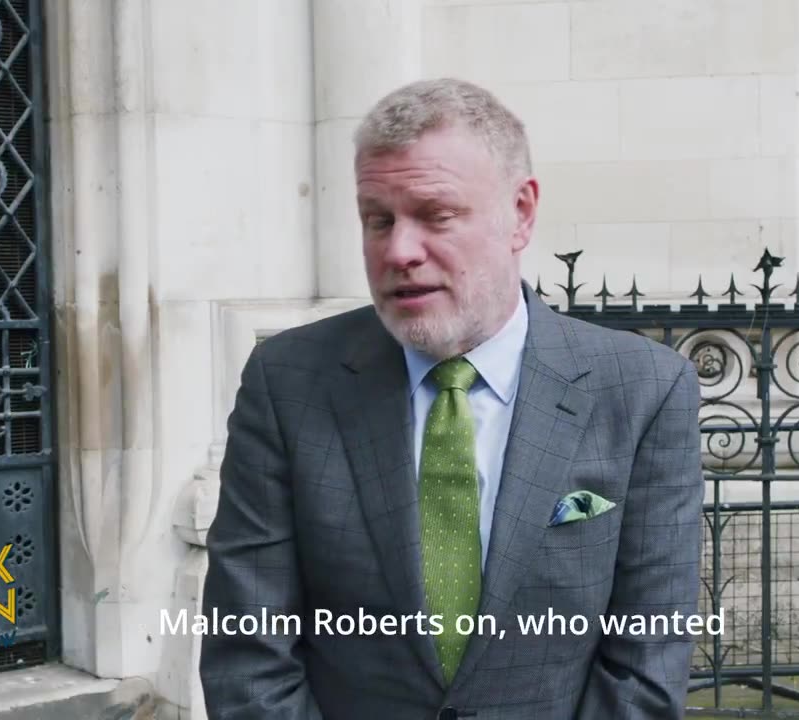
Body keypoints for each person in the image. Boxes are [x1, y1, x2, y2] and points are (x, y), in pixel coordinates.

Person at [199, 78, 705, 719]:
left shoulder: (643, 389)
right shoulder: (289, 380)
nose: (398, 251)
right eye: (377, 220)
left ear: (520, 213)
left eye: (436, 214)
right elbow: (249, 655)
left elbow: (645, 663)